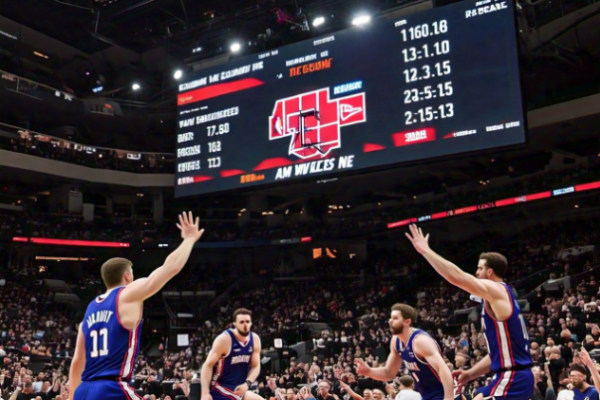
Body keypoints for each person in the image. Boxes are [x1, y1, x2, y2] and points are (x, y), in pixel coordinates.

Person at [69, 211, 204, 400]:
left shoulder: (91, 308)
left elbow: (77, 363)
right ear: (127, 275)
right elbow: (169, 268)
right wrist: (189, 239)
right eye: (131, 272)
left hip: (84, 390)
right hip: (111, 388)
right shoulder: (126, 295)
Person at [405, 225, 533, 400]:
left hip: (513, 378)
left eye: (479, 269)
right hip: (509, 376)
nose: (476, 272)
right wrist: (471, 374)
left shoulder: (497, 290)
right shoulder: (498, 298)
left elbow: (456, 277)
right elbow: (499, 354)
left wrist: (426, 251)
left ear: (490, 272)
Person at [354, 303, 454, 400]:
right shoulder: (396, 341)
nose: (390, 321)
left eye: (395, 318)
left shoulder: (420, 341)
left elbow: (443, 369)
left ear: (407, 322)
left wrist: (449, 398)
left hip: (441, 393)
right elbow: (389, 373)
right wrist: (368, 371)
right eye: (391, 318)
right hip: (425, 395)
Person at [201, 308, 264, 400]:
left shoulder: (255, 339)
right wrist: (205, 393)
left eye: (247, 321)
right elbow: (208, 365)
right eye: (241, 322)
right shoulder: (224, 340)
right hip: (220, 388)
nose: (245, 325)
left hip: (239, 389)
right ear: (234, 324)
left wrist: (247, 383)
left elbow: (256, 366)